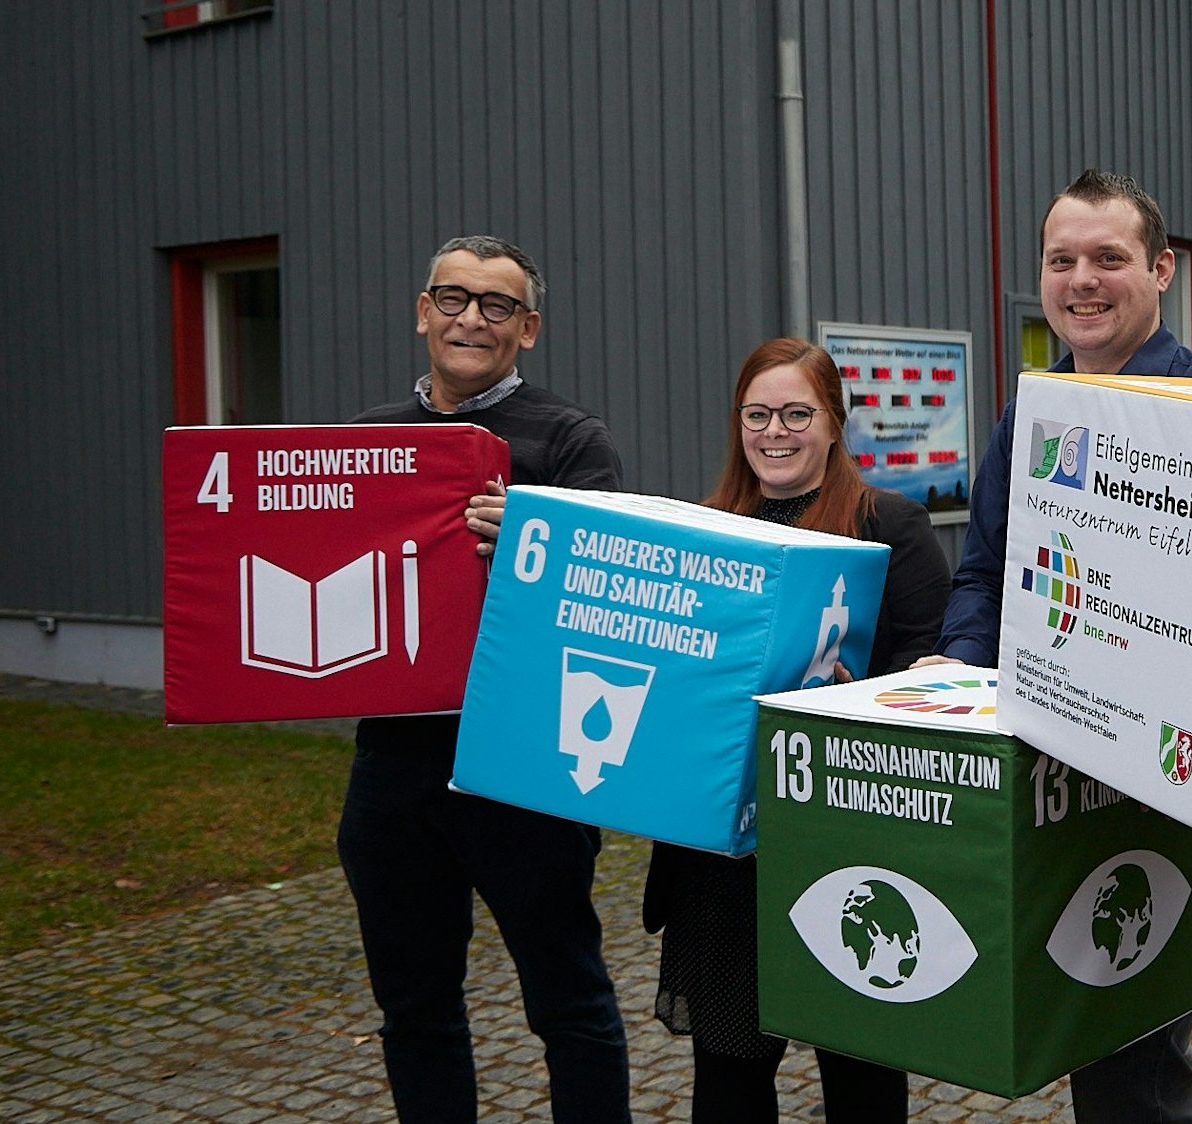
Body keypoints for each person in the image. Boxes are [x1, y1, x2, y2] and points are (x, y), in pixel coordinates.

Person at [917, 168, 1192, 1124]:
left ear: (1160, 269)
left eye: (1108, 257)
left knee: (1134, 1040)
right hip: (1059, 769)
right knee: (1094, 1031)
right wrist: (955, 660)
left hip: (1184, 784)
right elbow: (985, 569)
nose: (1082, 279)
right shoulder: (1032, 412)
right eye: (1061, 260)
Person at [336, 235, 633, 1123]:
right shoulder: (362, 442)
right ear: (422, 311)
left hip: (527, 763)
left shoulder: (574, 439)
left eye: (496, 305)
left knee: (568, 1002)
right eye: (453, 298)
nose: (472, 318)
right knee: (414, 1010)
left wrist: (540, 544)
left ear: (528, 328)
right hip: (394, 765)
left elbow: (614, 589)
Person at [640, 337, 950, 1122]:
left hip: (849, 844)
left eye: (796, 414)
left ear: (834, 422)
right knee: (730, 1077)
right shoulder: (704, 528)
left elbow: (936, 667)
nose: (774, 432)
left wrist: (868, 696)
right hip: (724, 858)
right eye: (757, 414)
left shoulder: (892, 525)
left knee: (861, 1076)